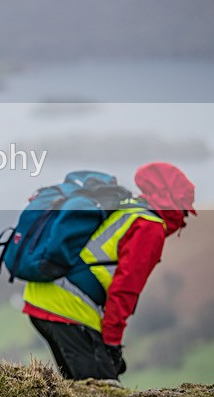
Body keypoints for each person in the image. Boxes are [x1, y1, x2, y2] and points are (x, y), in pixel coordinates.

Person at [23, 162, 196, 380]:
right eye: (185, 212)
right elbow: (125, 289)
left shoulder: (130, 207)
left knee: (77, 394)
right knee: (104, 396)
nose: (184, 221)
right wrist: (112, 342)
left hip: (43, 297)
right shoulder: (149, 227)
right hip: (69, 309)